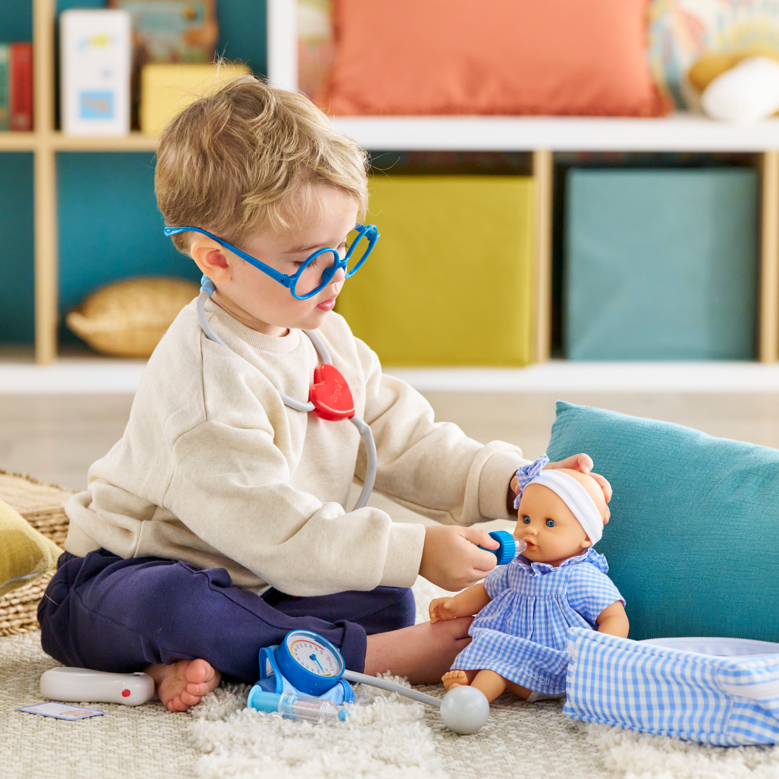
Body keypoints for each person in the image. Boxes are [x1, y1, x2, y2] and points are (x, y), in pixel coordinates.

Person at [38, 77, 610, 713]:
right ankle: (363, 657)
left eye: (345, 248)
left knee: (384, 594)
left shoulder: (321, 332)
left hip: (268, 581)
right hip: (126, 576)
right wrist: (415, 548)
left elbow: (403, 436)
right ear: (214, 258)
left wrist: (514, 482)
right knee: (180, 606)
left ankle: (229, 662)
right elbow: (277, 532)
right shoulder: (203, 388)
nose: (336, 275)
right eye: (307, 258)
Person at [430, 455, 627, 703]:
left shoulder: (578, 576)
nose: (531, 530)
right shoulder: (517, 567)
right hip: (512, 646)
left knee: (496, 667)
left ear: (586, 537)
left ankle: (474, 698)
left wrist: (600, 652)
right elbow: (487, 592)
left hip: (550, 660)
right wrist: (455, 605)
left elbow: (614, 615)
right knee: (488, 645)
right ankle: (466, 677)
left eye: (550, 523)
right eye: (525, 519)